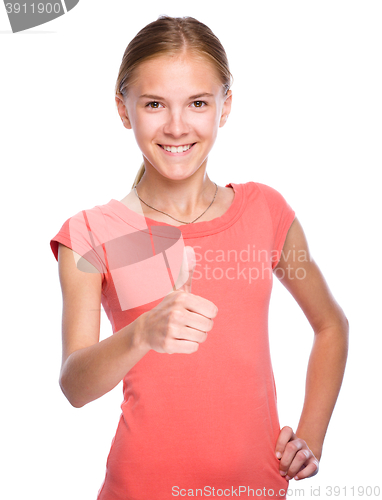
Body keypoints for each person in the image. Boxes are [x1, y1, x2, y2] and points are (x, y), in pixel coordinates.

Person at [49, 15, 349, 500]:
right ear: (124, 110)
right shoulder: (94, 233)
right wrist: (143, 332)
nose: (176, 126)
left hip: (256, 490)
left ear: (224, 107)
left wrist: (310, 437)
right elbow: (74, 386)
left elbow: (331, 326)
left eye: (197, 103)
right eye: (153, 104)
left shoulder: (265, 212)